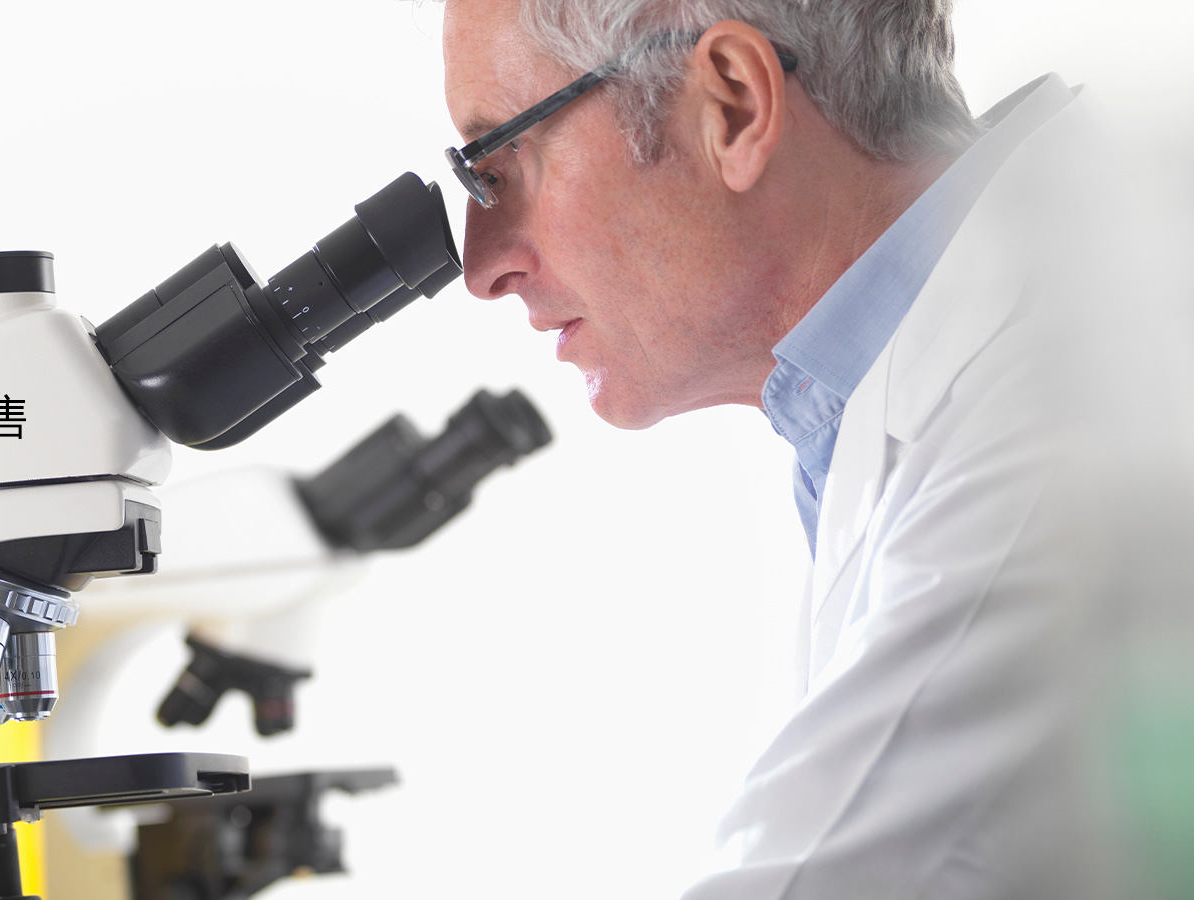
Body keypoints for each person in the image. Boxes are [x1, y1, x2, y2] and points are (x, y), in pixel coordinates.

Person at [440, 1, 1194, 897]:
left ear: (734, 104)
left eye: (499, 167)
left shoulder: (1052, 424)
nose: (482, 268)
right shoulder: (893, 392)